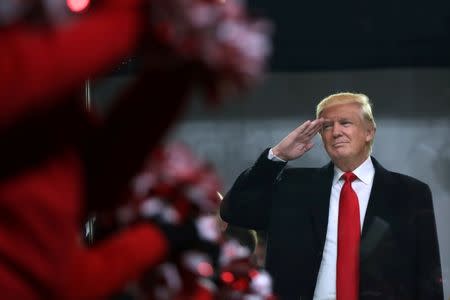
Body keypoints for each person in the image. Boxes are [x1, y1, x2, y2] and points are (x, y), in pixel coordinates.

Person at [220, 92, 444, 300]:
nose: (336, 132)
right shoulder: (292, 187)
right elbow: (236, 211)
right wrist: (276, 156)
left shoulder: (410, 193)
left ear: (369, 131)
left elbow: (427, 274)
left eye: (345, 123)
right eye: (327, 126)